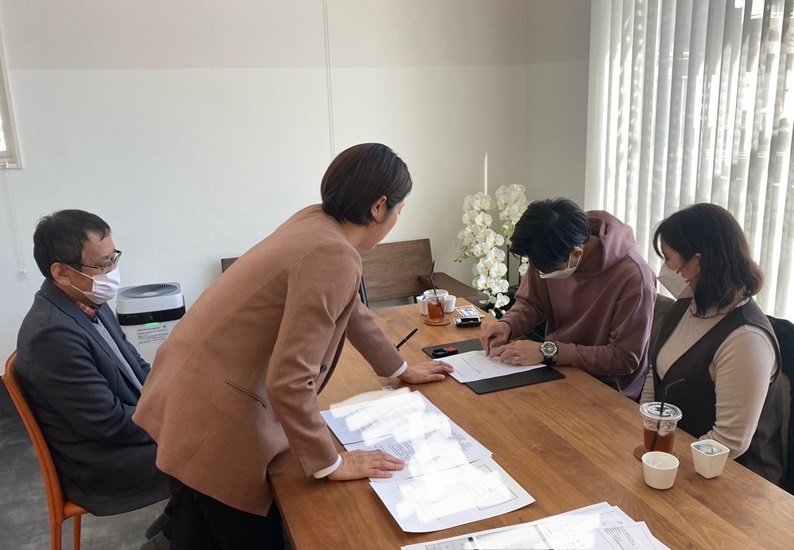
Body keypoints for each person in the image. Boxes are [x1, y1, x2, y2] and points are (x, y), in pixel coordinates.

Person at [133, 143, 453, 550]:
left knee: (200, 526)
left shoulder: (315, 222)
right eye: (399, 211)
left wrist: (399, 369)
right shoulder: (333, 253)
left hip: (185, 393)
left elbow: (349, 308)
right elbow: (289, 379)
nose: (396, 220)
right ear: (379, 207)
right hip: (217, 421)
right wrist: (331, 462)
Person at [15, 210, 172, 550]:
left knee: (213, 428)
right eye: (102, 265)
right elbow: (109, 424)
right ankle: (180, 535)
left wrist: (174, 395)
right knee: (216, 447)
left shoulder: (87, 301)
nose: (112, 272)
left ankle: (181, 524)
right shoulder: (51, 335)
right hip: (101, 462)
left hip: (124, 431)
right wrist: (172, 420)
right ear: (61, 272)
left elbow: (135, 365)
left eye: (114, 258)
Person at [640, 203, 784, 483]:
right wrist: (644, 425)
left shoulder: (746, 339)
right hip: (672, 459)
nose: (665, 268)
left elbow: (730, 441)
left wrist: (666, 462)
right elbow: (655, 373)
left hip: (729, 479)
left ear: (698, 262)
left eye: (669, 258)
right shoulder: (688, 303)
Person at [480, 197, 656, 400]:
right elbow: (532, 303)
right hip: (554, 367)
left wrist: (548, 351)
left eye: (549, 270)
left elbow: (624, 358)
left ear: (577, 253)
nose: (542, 273)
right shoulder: (548, 249)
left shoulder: (635, 278)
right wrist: (508, 325)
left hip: (605, 390)